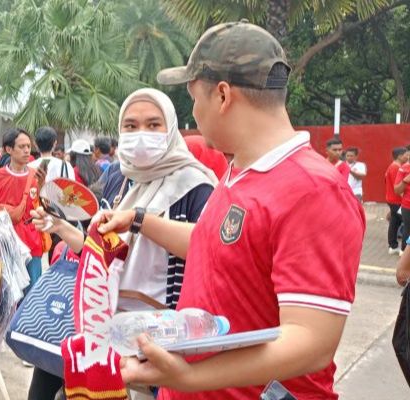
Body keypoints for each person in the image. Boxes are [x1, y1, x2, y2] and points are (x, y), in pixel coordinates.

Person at [98, 21, 365, 399]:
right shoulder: (239, 172)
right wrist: (139, 220)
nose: (193, 110)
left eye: (194, 96)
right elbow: (217, 248)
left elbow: (311, 340)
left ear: (222, 95)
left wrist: (189, 378)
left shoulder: (313, 190)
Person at [29, 88, 216, 400]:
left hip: (163, 339)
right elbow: (107, 252)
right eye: (131, 126)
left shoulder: (196, 185)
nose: (141, 134)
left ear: (170, 128)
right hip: (112, 329)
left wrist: (139, 219)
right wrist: (59, 226)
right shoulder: (123, 179)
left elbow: (206, 248)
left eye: (153, 125)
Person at [0, 128, 43, 293]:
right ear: (8, 149)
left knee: (32, 295)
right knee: (7, 296)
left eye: (28, 146)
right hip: (6, 245)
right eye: (21, 146)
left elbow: (43, 206)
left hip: (32, 244)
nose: (26, 150)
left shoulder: (37, 176)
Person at [387, 147, 408, 254]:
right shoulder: (396, 168)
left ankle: (393, 246)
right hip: (397, 200)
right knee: (406, 225)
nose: (407, 156)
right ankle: (403, 249)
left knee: (394, 222)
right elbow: (399, 187)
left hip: (393, 200)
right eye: (406, 154)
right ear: (399, 156)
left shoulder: (393, 166)